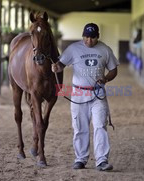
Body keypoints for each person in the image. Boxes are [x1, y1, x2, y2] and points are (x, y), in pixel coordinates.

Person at [51, 23, 119, 171]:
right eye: (86, 37)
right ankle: (81, 159)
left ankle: (101, 160)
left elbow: (113, 70)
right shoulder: (73, 49)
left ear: (98, 37)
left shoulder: (105, 50)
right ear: (83, 36)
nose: (89, 41)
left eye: (92, 38)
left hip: (98, 94)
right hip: (78, 95)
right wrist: (57, 67)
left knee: (100, 126)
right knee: (80, 128)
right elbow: (61, 64)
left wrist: (106, 79)